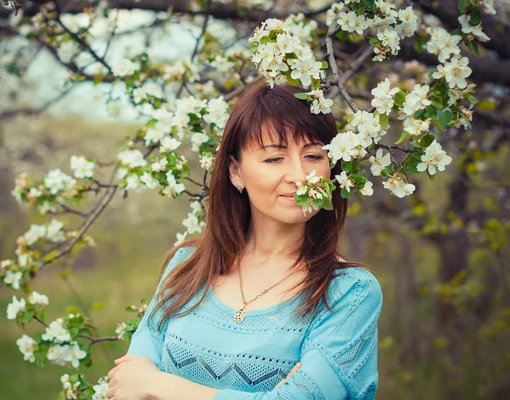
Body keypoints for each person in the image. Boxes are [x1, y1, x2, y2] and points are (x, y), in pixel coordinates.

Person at [106, 82, 383, 400]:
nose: (300, 175)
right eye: (274, 159)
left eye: (313, 155)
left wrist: (158, 385)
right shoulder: (186, 267)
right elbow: (127, 385)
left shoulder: (349, 293)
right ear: (236, 172)